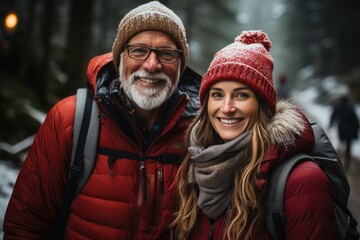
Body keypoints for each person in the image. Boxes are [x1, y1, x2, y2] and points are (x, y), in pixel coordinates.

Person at [3, 1, 201, 239]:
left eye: (167, 53)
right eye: (138, 50)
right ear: (119, 60)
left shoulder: (199, 132)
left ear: (180, 65)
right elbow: (27, 226)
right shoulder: (70, 120)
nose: (152, 64)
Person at [171, 30, 338, 240]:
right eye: (217, 94)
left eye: (241, 95)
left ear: (262, 106)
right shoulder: (195, 164)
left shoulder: (302, 181)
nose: (227, 107)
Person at [329, 95, 359, 170]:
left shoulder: (337, 107)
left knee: (342, 142)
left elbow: (333, 116)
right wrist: (357, 127)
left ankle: (340, 158)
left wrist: (331, 124)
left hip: (341, 128)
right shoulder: (350, 107)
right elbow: (355, 119)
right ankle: (347, 161)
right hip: (350, 129)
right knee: (348, 145)